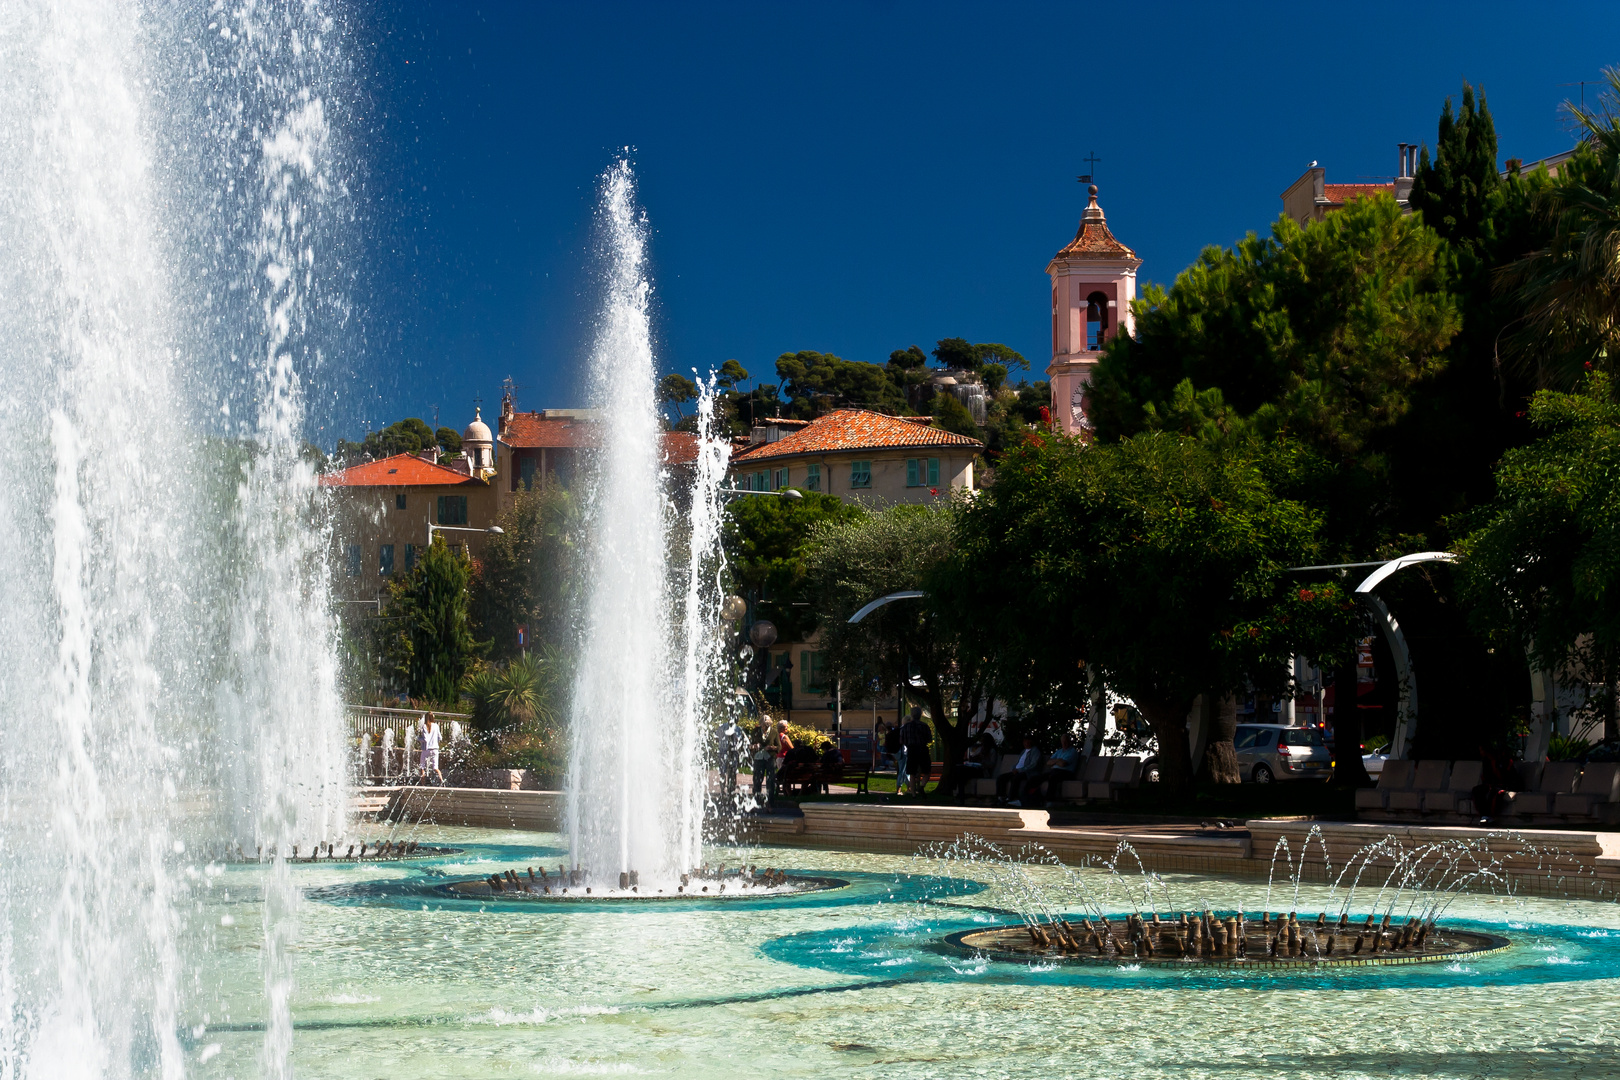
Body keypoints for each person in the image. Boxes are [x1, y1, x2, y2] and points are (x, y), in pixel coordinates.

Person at [1028, 733, 1079, 806]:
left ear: (1069, 741)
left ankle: (1050, 800)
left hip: (1067, 772)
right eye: (1063, 742)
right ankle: (1030, 798)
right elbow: (1048, 762)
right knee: (1036, 778)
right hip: (1055, 771)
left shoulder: (1072, 752)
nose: (1064, 743)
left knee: (1053, 778)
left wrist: (1055, 762)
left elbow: (1063, 764)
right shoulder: (1059, 751)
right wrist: (1058, 760)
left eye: (1066, 741)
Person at [997, 736, 1042, 804]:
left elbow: (1033, 765)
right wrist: (1014, 768)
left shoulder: (1035, 751)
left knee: (1016, 778)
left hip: (1028, 772)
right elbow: (1019, 762)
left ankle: (1011, 798)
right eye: (1025, 741)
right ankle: (1001, 797)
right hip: (1017, 770)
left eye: (1028, 741)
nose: (1026, 743)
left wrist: (1020, 770)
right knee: (1001, 777)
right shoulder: (1023, 751)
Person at [953, 733, 998, 799]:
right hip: (975, 767)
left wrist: (983, 761)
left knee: (962, 772)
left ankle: (960, 794)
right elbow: (973, 757)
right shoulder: (980, 749)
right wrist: (974, 758)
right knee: (960, 770)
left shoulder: (992, 751)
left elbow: (991, 764)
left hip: (983, 771)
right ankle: (960, 793)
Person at [900, 707, 933, 796]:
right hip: (922, 749)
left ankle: (913, 793)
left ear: (912, 715)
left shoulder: (906, 727)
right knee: (927, 771)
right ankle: (921, 786)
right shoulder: (924, 726)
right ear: (920, 715)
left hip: (911, 750)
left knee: (912, 772)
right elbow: (929, 739)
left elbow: (901, 740)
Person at [420, 712, 443, 785]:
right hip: (435, 749)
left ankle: (423, 784)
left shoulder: (424, 726)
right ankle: (441, 780)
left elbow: (425, 739)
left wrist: (418, 739)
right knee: (435, 768)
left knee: (422, 767)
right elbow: (440, 737)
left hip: (426, 749)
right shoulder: (436, 726)